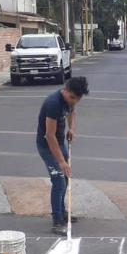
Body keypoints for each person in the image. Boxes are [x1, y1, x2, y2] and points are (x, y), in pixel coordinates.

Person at [36, 76, 89, 235]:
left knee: (65, 179)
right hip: (47, 146)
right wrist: (61, 162)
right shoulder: (53, 103)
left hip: (60, 143)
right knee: (59, 180)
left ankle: (63, 211)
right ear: (65, 90)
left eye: (77, 99)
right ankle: (57, 221)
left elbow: (72, 113)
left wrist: (71, 128)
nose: (74, 101)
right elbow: (49, 136)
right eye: (72, 97)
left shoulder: (70, 101)